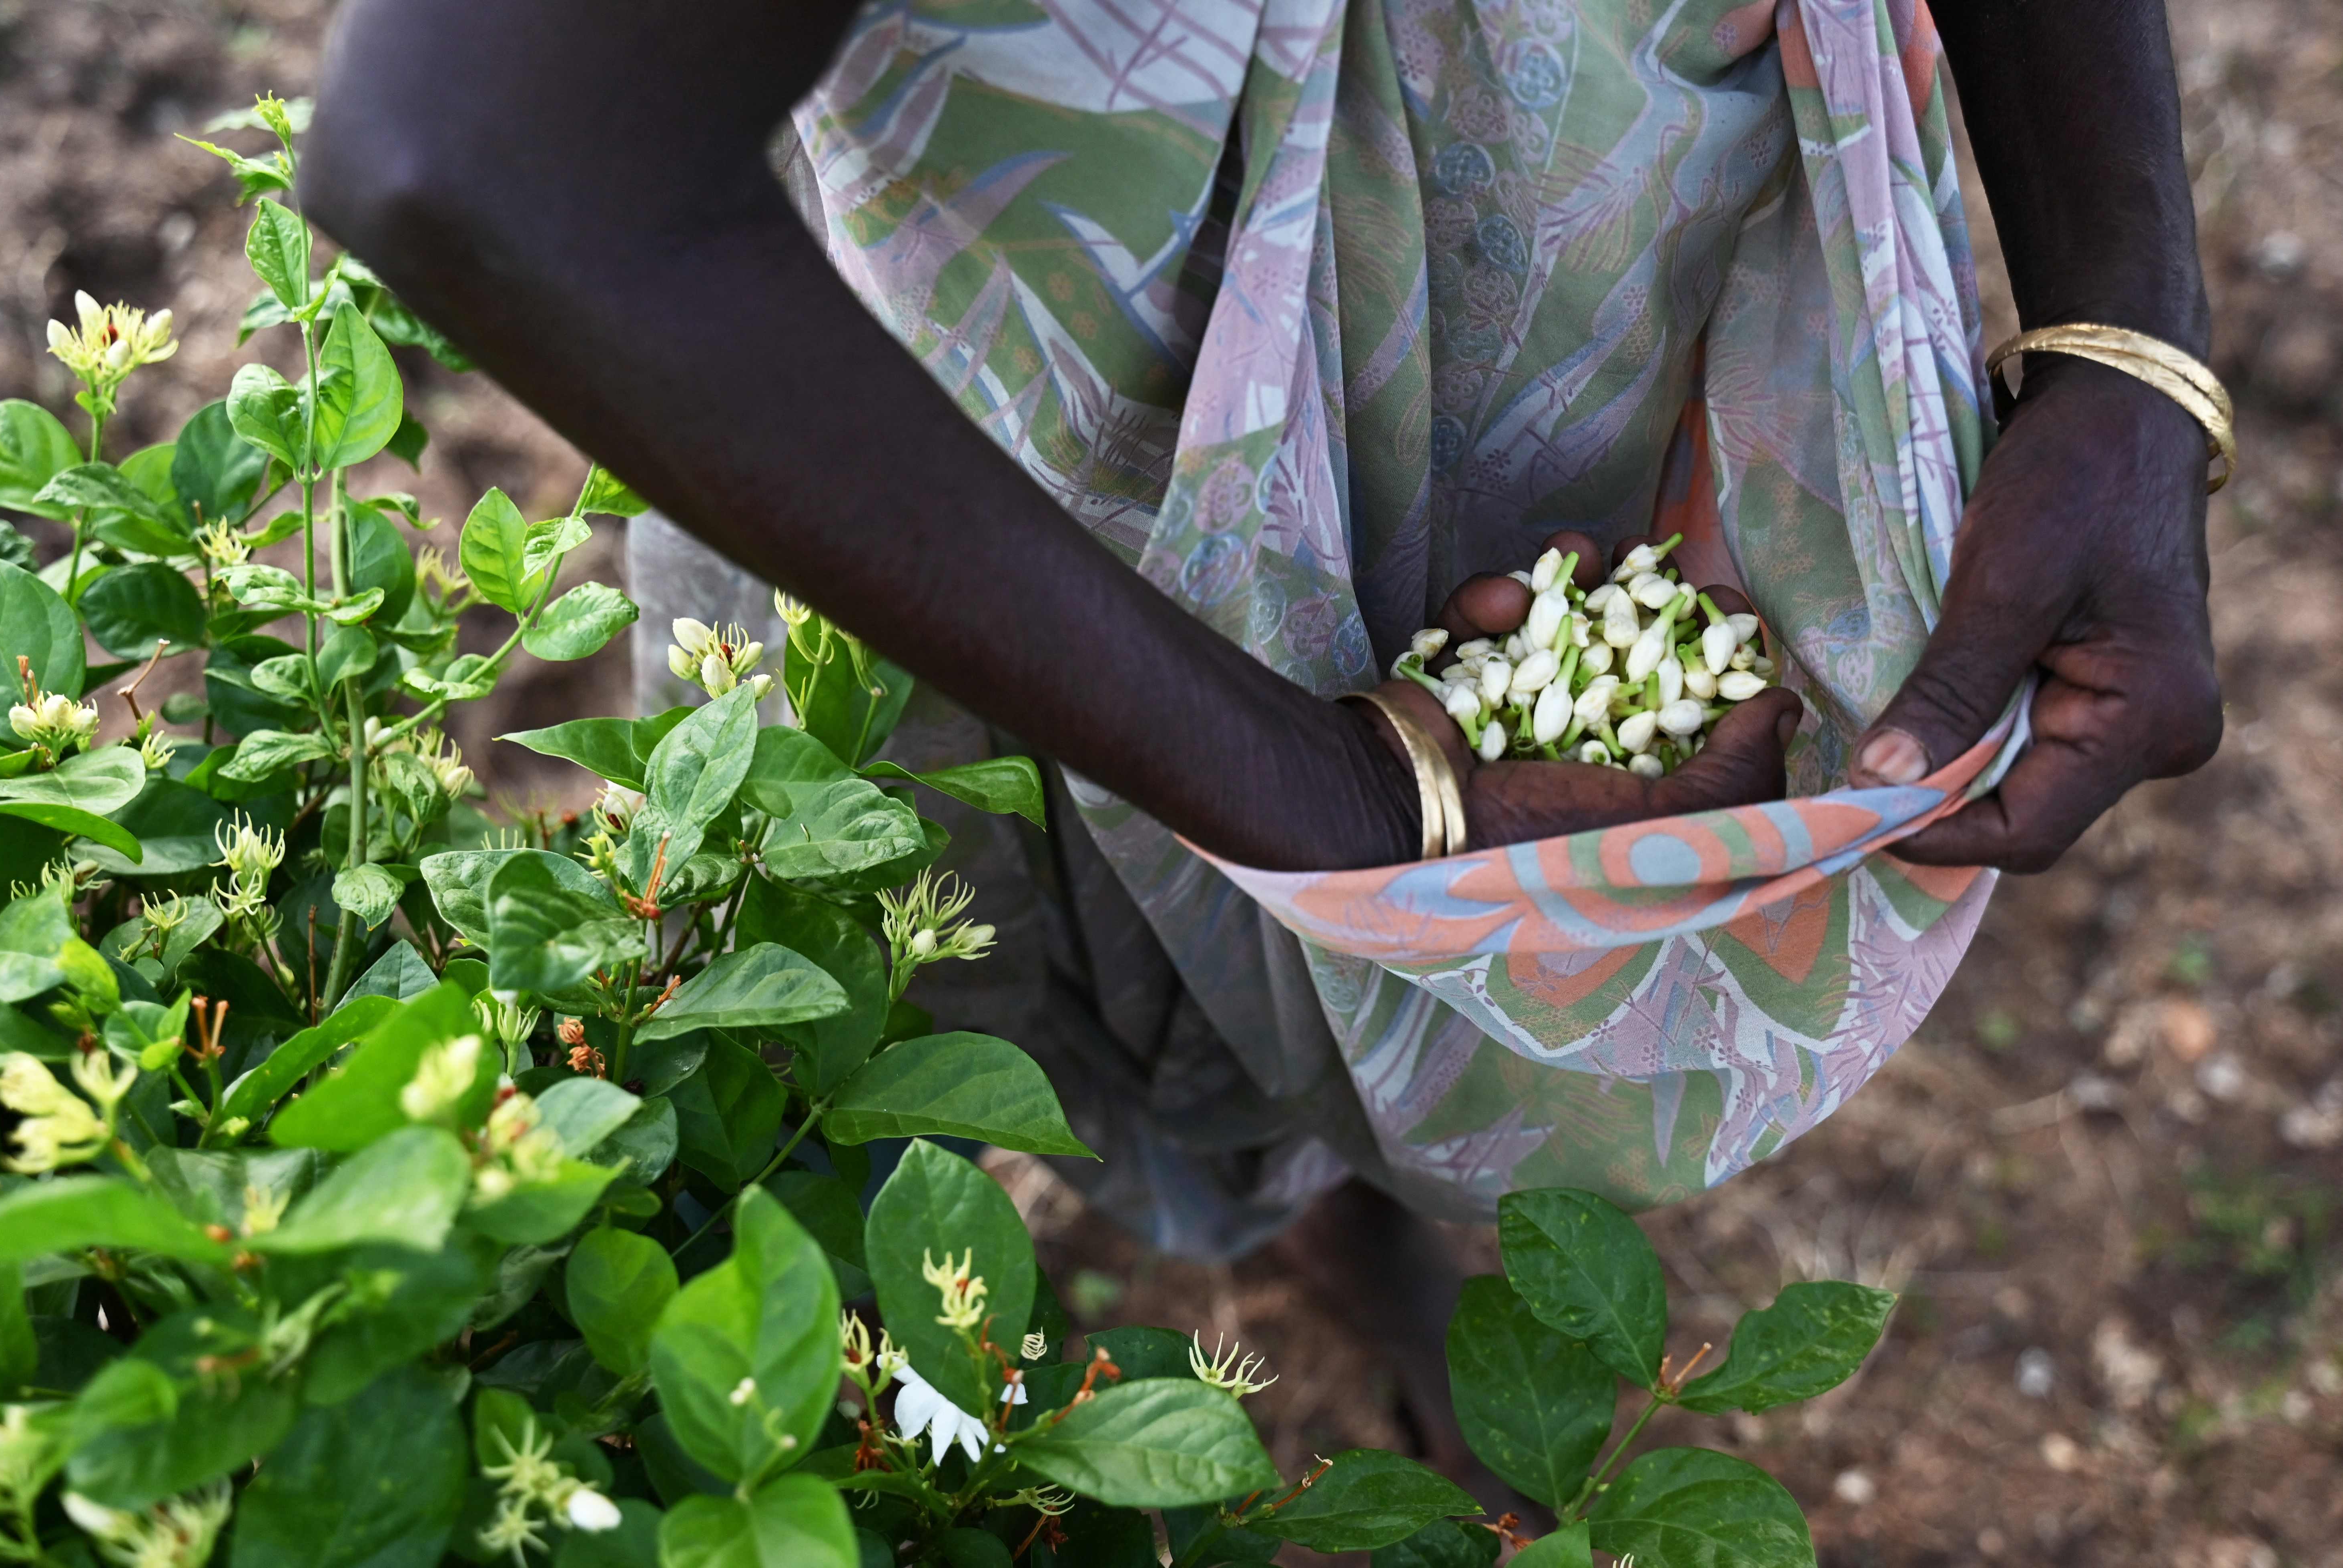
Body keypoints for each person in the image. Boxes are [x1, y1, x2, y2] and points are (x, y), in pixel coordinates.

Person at [301, 0, 2223, 1475]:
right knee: (1028, 856)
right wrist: (1339, 796)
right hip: (1040, 335)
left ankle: (1350, 1208)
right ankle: (1002, 1358)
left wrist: (2135, 329)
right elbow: (477, 161)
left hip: (1557, 193)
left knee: (1456, 589)